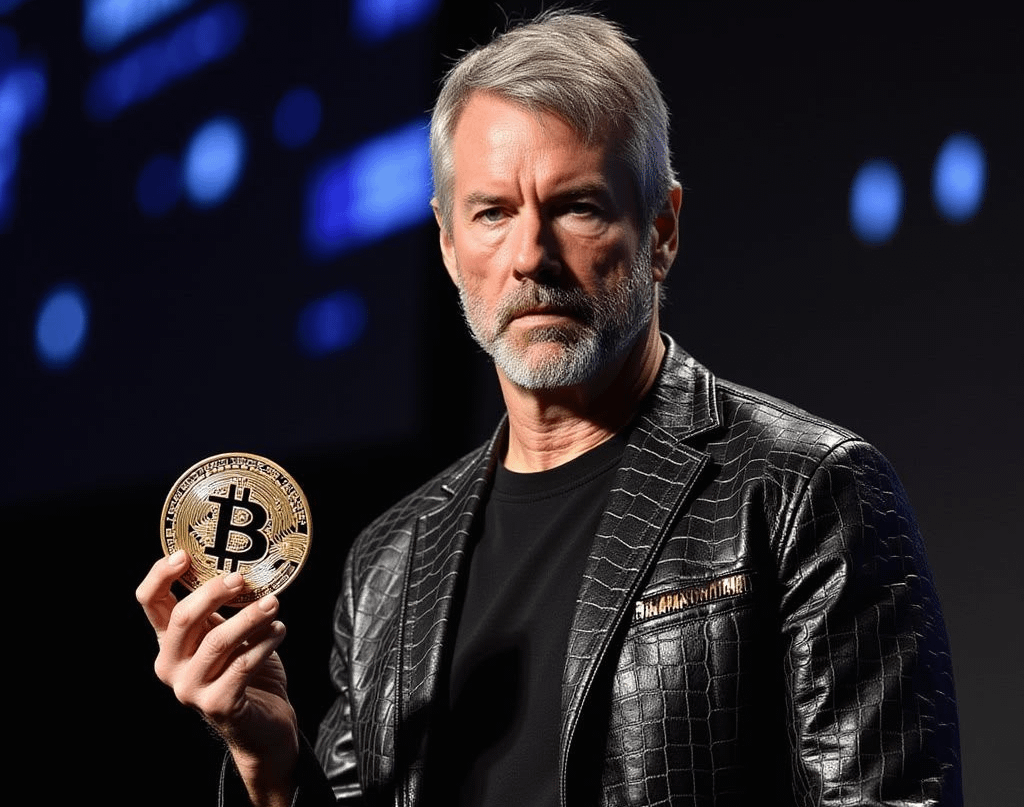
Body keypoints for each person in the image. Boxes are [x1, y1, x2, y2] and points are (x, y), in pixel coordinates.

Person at [137, 10, 962, 807]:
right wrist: (270, 762)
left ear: (662, 230)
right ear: (449, 246)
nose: (531, 255)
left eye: (577, 206)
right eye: (493, 213)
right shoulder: (388, 561)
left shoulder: (805, 493)